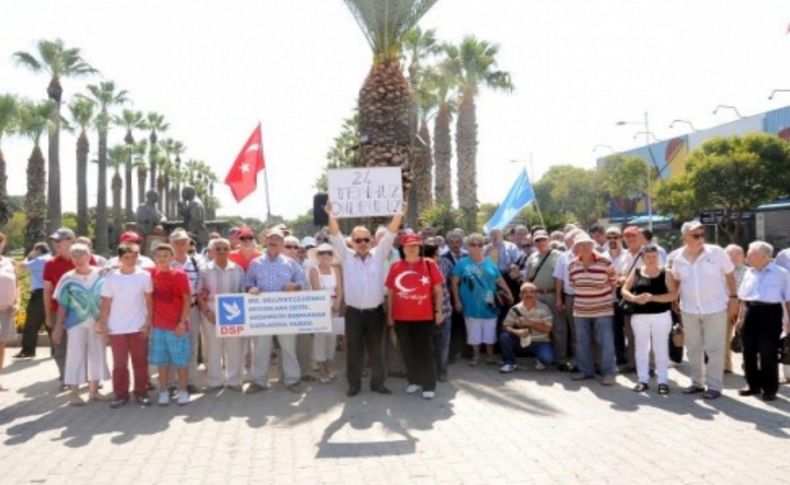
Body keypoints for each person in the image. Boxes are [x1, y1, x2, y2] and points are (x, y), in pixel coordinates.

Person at [327, 204, 403, 397]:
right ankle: (354, 385)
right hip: (353, 313)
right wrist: (331, 214)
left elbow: (391, 232)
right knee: (354, 351)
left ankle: (378, 384)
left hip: (375, 313)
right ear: (351, 242)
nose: (362, 242)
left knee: (377, 351)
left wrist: (398, 212)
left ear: (371, 240)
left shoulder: (379, 254)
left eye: (365, 239)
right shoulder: (346, 255)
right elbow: (335, 234)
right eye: (358, 239)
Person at [671, 220, 738, 400]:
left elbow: (730, 276)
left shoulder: (716, 252)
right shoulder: (678, 257)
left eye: (702, 234)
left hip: (715, 308)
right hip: (689, 309)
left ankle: (714, 386)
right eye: (696, 235)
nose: (700, 238)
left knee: (715, 349)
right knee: (693, 348)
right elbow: (676, 279)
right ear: (685, 237)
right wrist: (674, 298)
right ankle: (696, 383)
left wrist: (733, 298)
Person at [245, 228, 307, 394]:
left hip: (285, 313)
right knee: (260, 348)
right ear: (265, 240)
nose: (274, 241)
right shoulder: (255, 263)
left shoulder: (291, 263)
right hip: (262, 313)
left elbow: (303, 283)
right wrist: (251, 288)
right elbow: (248, 282)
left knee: (288, 348)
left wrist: (295, 286)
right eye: (271, 238)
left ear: (282, 243)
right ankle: (259, 381)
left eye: (277, 239)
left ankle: (292, 380)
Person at [385, 233, 444, 399]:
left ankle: (428, 384)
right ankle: (414, 381)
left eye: (415, 246)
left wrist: (439, 311)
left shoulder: (430, 264)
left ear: (420, 248)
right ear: (403, 248)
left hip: (424, 317)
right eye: (408, 246)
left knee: (425, 351)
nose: (411, 249)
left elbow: (438, 290)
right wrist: (390, 316)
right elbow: (391, 293)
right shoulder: (396, 267)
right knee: (407, 351)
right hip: (401, 317)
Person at [51, 243, 108, 405]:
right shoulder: (67, 278)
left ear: (89, 255)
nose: (78, 258)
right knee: (75, 355)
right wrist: (58, 327)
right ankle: (74, 393)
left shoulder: (102, 273)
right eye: (74, 255)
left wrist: (104, 321)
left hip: (97, 322)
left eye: (81, 254)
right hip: (76, 322)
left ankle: (94, 391)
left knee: (98, 354)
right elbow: (62, 304)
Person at [99, 243, 153, 408]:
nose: (131, 260)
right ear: (120, 258)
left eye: (134, 256)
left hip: (138, 326)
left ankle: (141, 392)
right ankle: (120, 394)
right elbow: (105, 303)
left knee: (140, 362)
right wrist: (103, 324)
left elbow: (149, 301)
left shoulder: (144, 276)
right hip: (117, 328)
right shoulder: (111, 277)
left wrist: (148, 323)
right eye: (126, 257)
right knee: (120, 364)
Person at [735, 241, 790, 402]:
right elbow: (743, 298)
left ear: (764, 256)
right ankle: (753, 385)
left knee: (768, 352)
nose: (747, 256)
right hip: (750, 312)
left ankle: (770, 389)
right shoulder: (748, 272)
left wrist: (789, 320)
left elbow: (788, 299)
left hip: (770, 313)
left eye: (751, 253)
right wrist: (740, 318)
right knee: (748, 351)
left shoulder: (781, 273)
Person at [621, 245, 677, 394]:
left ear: (658, 256)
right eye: (648, 257)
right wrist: (634, 298)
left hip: (661, 316)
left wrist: (653, 298)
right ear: (643, 258)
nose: (651, 259)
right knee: (641, 348)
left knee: (661, 348)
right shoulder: (637, 272)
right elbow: (624, 290)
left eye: (654, 256)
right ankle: (642, 380)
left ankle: (662, 381)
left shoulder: (666, 273)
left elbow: (673, 295)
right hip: (639, 316)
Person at [451, 233, 514, 367]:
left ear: (484, 246)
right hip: (470, 303)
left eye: (480, 244)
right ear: (468, 247)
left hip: (490, 302)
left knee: (490, 330)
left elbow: (499, 279)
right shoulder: (462, 264)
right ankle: (476, 356)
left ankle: (490, 356)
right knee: (473, 331)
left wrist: (509, 293)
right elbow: (454, 283)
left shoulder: (490, 262)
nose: (477, 247)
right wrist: (457, 301)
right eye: (473, 244)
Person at [568, 232, 618, 385]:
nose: (584, 247)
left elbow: (613, 281)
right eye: (581, 245)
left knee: (606, 342)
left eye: (587, 244)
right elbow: (573, 284)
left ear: (592, 245)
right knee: (582, 341)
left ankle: (609, 373)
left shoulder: (605, 262)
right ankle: (585, 371)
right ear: (576, 248)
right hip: (580, 309)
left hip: (602, 309)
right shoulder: (572, 265)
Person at [198, 238, 246, 391]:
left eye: (225, 248)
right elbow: (199, 294)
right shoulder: (204, 270)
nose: (221, 252)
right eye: (218, 249)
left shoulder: (238, 269)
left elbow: (243, 292)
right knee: (213, 348)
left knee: (234, 346)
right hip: (211, 311)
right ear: (212, 251)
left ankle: (234, 380)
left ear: (229, 250)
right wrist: (206, 311)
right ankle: (214, 382)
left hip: (234, 311)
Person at [43, 228, 89, 389]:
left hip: (84, 312)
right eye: (54, 241)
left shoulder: (86, 258)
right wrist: (48, 316)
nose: (55, 244)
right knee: (60, 346)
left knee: (85, 345)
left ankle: (88, 377)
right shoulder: (50, 264)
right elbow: (47, 291)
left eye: (59, 241)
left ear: (71, 241)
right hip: (59, 312)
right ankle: (66, 378)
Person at [148, 244, 192, 406]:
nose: (162, 259)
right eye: (158, 256)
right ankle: (164, 390)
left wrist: (182, 322)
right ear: (154, 258)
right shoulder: (151, 274)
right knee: (162, 361)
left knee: (180, 361)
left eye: (165, 255)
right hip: (159, 326)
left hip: (177, 325)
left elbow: (187, 299)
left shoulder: (180, 275)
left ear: (172, 257)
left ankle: (182, 390)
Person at [169, 229, 204, 393]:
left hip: (192, 309)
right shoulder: (166, 263)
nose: (180, 245)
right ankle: (171, 383)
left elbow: (202, 285)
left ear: (189, 243)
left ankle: (190, 381)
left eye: (183, 242)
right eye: (177, 242)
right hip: (171, 312)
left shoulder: (197, 262)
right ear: (171, 244)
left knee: (191, 345)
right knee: (171, 345)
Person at [524, 230, 563, 369]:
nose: (540, 242)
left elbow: (561, 279)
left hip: (553, 295)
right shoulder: (532, 257)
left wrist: (559, 298)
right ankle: (540, 358)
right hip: (536, 296)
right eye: (537, 240)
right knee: (537, 327)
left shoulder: (559, 256)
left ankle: (561, 358)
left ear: (549, 240)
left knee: (558, 327)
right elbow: (527, 279)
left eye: (543, 239)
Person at [498, 282, 556, 373]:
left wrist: (530, 323)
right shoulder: (515, 309)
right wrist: (516, 332)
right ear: (520, 295)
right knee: (504, 337)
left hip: (540, 342)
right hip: (520, 341)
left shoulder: (544, 308)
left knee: (548, 359)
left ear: (536, 294)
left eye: (532, 292)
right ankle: (509, 363)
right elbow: (505, 326)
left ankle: (540, 359)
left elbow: (548, 329)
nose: (529, 294)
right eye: (525, 292)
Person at [308, 243, 343, 384]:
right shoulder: (314, 270)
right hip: (319, 309)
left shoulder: (336, 270)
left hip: (334, 307)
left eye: (328, 253)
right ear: (318, 256)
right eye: (322, 253)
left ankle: (328, 368)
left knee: (331, 340)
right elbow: (316, 290)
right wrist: (325, 307)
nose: (325, 256)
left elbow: (340, 289)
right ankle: (321, 371)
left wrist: (337, 304)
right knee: (320, 339)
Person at [553, 228, 583, 371]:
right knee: (570, 330)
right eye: (572, 240)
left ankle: (583, 361)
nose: (575, 243)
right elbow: (559, 280)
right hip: (570, 297)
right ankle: (570, 360)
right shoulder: (563, 257)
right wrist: (559, 299)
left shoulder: (590, 255)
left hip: (586, 298)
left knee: (582, 331)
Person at [15, 242, 51, 358]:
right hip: (51, 293)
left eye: (34, 250)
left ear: (38, 250)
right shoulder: (52, 258)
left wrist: (28, 257)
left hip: (39, 294)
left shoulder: (39, 260)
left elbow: (21, 267)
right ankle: (58, 349)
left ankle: (28, 350)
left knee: (31, 323)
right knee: (50, 322)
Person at [424, 238, 453, 382]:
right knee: (429, 346)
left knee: (442, 346)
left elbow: (448, 285)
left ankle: (442, 372)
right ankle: (430, 372)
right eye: (436, 254)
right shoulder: (420, 267)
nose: (438, 256)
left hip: (444, 311)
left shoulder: (445, 264)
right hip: (426, 314)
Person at [442, 229, 468, 362]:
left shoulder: (467, 256)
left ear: (461, 243)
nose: (455, 244)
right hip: (450, 295)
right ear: (448, 243)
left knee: (465, 322)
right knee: (453, 324)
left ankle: (465, 350)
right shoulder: (443, 257)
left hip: (467, 293)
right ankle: (451, 353)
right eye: (452, 242)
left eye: (457, 242)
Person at [723, 244, 747, 374]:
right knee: (723, 338)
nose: (733, 257)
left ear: (742, 256)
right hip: (723, 308)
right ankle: (726, 366)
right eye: (729, 254)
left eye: (737, 254)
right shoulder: (720, 271)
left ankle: (748, 366)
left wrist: (739, 305)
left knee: (745, 339)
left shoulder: (749, 272)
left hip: (743, 308)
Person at [0, 232, 20, 390]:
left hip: (6, 311)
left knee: (1, 345)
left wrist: (17, 303)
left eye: (0, 242)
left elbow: (17, 286)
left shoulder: (10, 263)